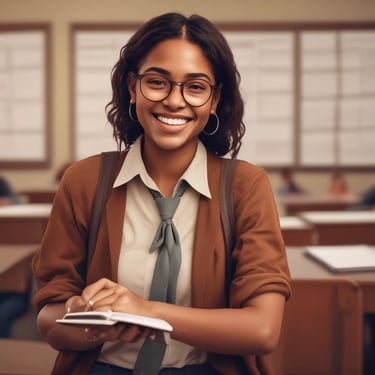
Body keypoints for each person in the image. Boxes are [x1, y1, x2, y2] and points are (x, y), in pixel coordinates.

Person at [32, 13, 291, 375]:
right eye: (157, 82)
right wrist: (83, 321)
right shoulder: (83, 180)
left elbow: (263, 331)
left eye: (196, 87)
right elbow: (49, 320)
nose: (174, 101)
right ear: (132, 87)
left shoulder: (246, 187)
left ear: (214, 100)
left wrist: (145, 309)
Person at [0, 175, 29, 337]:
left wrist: (8, 203)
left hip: (14, 292)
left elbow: (21, 200)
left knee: (4, 313)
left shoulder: (1, 183)